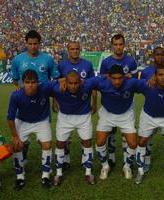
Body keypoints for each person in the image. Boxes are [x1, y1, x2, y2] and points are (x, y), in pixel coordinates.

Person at [11, 30, 59, 165]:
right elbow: (16, 79)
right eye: (30, 43)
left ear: (39, 43)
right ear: (26, 43)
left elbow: (55, 80)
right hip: (24, 103)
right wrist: (21, 88)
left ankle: (48, 157)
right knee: (22, 136)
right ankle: (23, 157)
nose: (33, 46)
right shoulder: (17, 60)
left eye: (35, 44)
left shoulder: (47, 59)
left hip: (42, 102)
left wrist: (55, 100)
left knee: (43, 136)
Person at [7, 70, 54, 190]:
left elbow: (61, 80)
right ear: (23, 83)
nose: (31, 85)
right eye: (27, 82)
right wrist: (15, 137)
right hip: (22, 121)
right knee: (17, 146)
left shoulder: (44, 87)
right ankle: (20, 177)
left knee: (47, 145)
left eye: (33, 82)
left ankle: (45, 176)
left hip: (41, 120)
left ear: (38, 82)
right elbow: (10, 118)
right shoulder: (16, 95)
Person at [135, 65, 164, 184]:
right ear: (155, 76)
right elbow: (130, 83)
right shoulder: (147, 85)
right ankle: (140, 171)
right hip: (148, 117)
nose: (163, 77)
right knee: (142, 141)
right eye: (160, 75)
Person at [94, 65, 139, 180]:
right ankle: (105, 166)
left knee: (133, 143)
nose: (117, 81)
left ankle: (127, 166)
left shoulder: (131, 83)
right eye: (114, 78)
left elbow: (148, 85)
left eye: (120, 78)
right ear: (109, 77)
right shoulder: (102, 83)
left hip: (125, 114)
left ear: (124, 77)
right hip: (107, 114)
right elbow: (84, 82)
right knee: (100, 141)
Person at [57, 41, 97, 170]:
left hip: (83, 107)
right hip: (66, 107)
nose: (75, 51)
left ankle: (85, 162)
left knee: (85, 138)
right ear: (68, 50)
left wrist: (94, 102)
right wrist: (55, 101)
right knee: (65, 138)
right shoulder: (62, 65)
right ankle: (65, 160)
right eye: (72, 49)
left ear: (80, 50)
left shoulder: (87, 64)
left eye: (77, 49)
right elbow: (57, 86)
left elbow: (93, 86)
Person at [99, 33, 138, 168]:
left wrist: (129, 77)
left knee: (126, 132)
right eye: (115, 44)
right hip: (109, 102)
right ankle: (111, 157)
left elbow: (135, 81)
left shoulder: (131, 61)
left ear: (124, 45)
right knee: (111, 131)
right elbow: (102, 78)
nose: (118, 47)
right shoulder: (106, 62)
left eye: (120, 44)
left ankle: (128, 160)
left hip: (126, 102)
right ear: (112, 46)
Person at [53, 71, 95, 185]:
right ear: (65, 82)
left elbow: (103, 79)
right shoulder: (58, 88)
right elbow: (43, 86)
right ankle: (58, 173)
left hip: (84, 117)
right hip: (65, 118)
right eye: (70, 83)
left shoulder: (87, 85)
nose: (73, 86)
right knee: (60, 143)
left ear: (80, 82)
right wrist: (58, 80)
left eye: (76, 83)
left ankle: (88, 172)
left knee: (87, 142)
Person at [139, 46, 164, 172]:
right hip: (150, 110)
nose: (159, 57)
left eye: (161, 55)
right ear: (153, 56)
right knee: (147, 137)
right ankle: (147, 161)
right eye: (157, 54)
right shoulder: (145, 72)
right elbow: (143, 89)